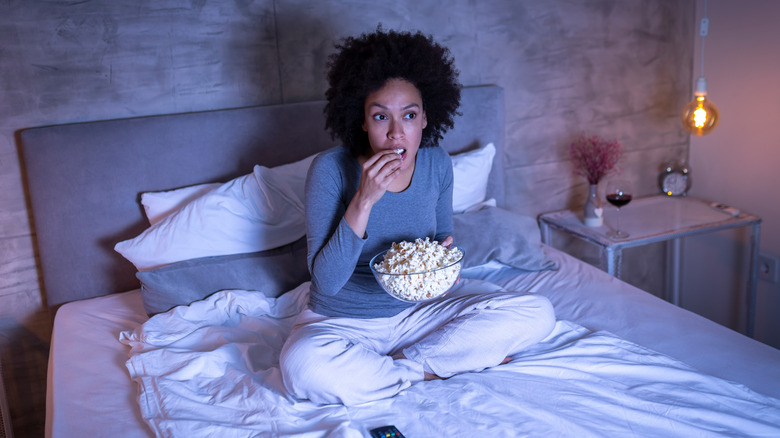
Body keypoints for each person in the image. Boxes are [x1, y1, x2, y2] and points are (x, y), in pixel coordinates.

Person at [279, 27, 555, 406]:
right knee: (302, 367)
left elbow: (441, 239)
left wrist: (444, 262)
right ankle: (433, 366)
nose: (396, 134)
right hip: (344, 322)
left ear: (425, 117)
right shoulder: (329, 170)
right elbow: (325, 284)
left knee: (538, 312)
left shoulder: (437, 164)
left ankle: (401, 368)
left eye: (409, 115)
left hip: (421, 313)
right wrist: (364, 199)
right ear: (361, 119)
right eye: (380, 117)